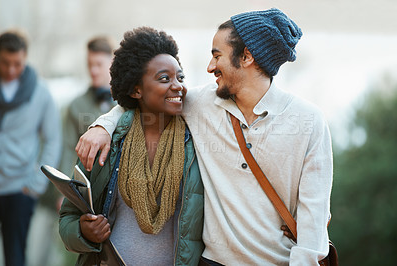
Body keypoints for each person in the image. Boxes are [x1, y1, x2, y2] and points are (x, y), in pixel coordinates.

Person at [76, 8, 333, 265]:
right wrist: (102, 126)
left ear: (246, 57)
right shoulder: (202, 103)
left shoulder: (309, 121)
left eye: (217, 56)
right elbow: (143, 97)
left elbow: (314, 221)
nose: (210, 67)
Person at [59, 27, 204, 266]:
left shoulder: (195, 144)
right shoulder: (105, 143)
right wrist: (83, 232)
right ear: (136, 89)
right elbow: (68, 217)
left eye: (180, 77)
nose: (177, 85)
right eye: (164, 79)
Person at [0, 29, 61, 266]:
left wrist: (37, 184)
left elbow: (53, 139)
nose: (11, 69)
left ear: (25, 58)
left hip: (20, 189)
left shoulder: (41, 93)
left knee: (15, 258)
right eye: (5, 62)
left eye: (17, 63)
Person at [59, 36, 116, 176]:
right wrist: (63, 190)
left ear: (112, 63)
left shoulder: (127, 102)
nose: (93, 71)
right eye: (90, 65)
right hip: (88, 186)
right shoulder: (76, 105)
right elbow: (68, 149)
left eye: (98, 64)